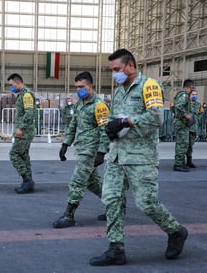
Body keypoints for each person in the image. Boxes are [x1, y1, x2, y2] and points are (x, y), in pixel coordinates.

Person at [90, 49, 187, 266]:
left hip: (140, 157)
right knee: (111, 200)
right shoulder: (118, 91)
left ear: (130, 66)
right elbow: (113, 121)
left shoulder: (149, 86)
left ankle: (176, 231)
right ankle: (116, 249)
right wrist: (107, 139)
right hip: (116, 156)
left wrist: (126, 122)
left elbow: (156, 117)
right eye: (112, 70)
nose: (114, 74)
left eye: (117, 69)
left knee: (146, 203)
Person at [54, 71, 109, 228]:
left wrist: (101, 151)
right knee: (92, 183)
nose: (79, 90)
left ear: (90, 86)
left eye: (82, 87)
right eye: (76, 87)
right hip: (81, 148)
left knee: (77, 182)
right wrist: (65, 144)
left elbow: (105, 130)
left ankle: (69, 215)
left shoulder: (99, 106)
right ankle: (115, 205)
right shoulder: (80, 104)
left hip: (90, 151)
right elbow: (73, 125)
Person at [7, 73, 36, 194]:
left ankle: (27, 180)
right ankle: (28, 183)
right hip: (25, 130)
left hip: (24, 131)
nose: (11, 88)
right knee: (24, 156)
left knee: (14, 154)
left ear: (17, 83)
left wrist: (20, 128)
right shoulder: (22, 94)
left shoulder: (27, 94)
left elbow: (29, 113)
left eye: (11, 85)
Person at [172, 79, 195, 172]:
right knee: (182, 144)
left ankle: (180, 162)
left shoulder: (180, 94)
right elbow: (178, 106)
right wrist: (186, 115)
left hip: (181, 123)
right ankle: (178, 164)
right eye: (192, 87)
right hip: (181, 124)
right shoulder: (184, 95)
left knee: (183, 143)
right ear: (189, 87)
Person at [187, 89, 204, 167]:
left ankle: (189, 161)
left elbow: (201, 112)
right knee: (183, 145)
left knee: (191, 145)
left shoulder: (198, 104)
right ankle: (180, 162)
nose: (195, 96)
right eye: (193, 94)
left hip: (193, 128)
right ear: (189, 95)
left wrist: (196, 119)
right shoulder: (186, 104)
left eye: (196, 94)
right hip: (185, 128)